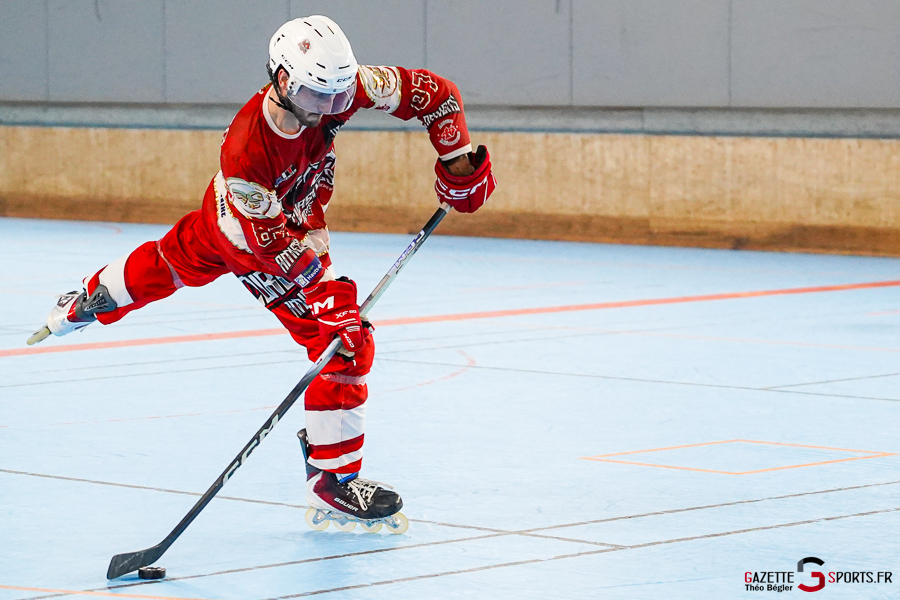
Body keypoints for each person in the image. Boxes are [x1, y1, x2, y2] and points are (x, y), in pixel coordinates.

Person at [28, 15, 496, 531]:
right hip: (253, 238)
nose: (332, 110)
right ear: (281, 81)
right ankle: (332, 481)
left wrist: (457, 162)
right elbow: (273, 249)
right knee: (344, 342)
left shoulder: (339, 86)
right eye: (320, 98)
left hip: (248, 215)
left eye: (340, 97)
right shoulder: (248, 150)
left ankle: (90, 299)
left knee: (170, 260)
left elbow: (435, 94)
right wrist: (327, 297)